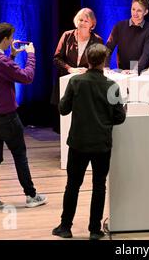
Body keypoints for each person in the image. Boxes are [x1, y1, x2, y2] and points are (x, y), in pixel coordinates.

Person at [52, 43, 127, 240]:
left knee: (72, 185)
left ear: (87, 58)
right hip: (101, 143)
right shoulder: (112, 86)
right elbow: (120, 118)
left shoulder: (76, 82)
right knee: (99, 186)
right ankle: (94, 230)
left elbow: (63, 109)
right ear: (104, 61)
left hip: (78, 142)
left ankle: (65, 226)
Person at [0, 22, 47, 211]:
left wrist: (13, 55)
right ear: (6, 39)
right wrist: (31, 55)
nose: (12, 41)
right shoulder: (1, 62)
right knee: (19, 155)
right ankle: (31, 196)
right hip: (6, 117)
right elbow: (27, 77)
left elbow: (1, 72)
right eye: (11, 38)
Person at [51, 8, 103, 106]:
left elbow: (99, 65)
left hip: (86, 85)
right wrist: (70, 69)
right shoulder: (67, 36)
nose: (82, 23)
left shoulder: (97, 40)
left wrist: (88, 71)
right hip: (65, 83)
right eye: (80, 20)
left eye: (86, 21)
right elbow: (56, 59)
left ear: (92, 24)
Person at [105, 0, 149, 73]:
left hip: (140, 73)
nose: (135, 13)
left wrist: (136, 70)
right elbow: (108, 48)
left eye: (139, 10)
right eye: (133, 9)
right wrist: (105, 66)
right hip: (121, 72)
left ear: (145, 12)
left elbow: (147, 53)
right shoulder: (119, 26)